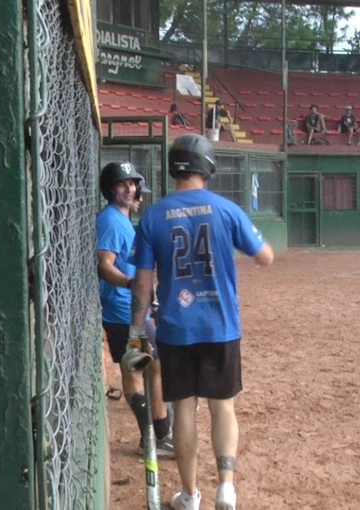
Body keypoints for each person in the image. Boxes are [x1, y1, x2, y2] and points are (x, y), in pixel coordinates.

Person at [126, 134, 274, 510]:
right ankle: (226, 487)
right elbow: (265, 257)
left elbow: (143, 282)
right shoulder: (225, 209)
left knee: (185, 408)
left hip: (176, 328)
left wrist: (136, 332)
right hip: (220, 324)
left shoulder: (154, 215)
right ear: (207, 167)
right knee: (223, 406)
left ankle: (190, 495)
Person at [95, 162, 174, 459]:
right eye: (122, 184)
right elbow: (104, 265)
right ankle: (153, 436)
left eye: (132, 184)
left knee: (152, 364)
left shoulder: (122, 219)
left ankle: (158, 434)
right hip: (121, 309)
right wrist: (132, 284)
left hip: (132, 307)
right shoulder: (111, 221)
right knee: (138, 366)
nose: (129, 189)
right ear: (110, 189)